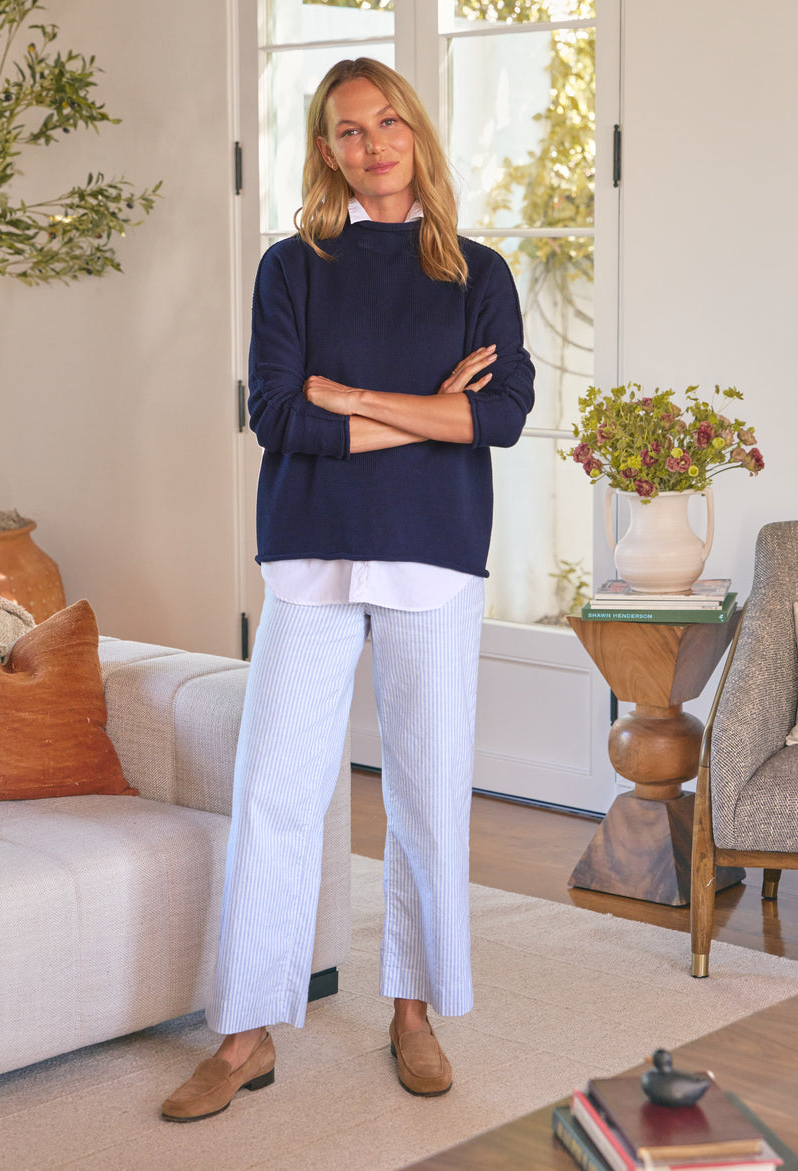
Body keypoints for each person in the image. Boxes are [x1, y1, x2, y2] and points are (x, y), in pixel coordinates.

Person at [161, 57, 535, 1122]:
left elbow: (498, 418)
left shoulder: (478, 271)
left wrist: (355, 397)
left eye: (386, 125)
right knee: (275, 793)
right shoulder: (293, 267)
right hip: (312, 555)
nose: (369, 145)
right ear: (324, 148)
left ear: (414, 133)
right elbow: (280, 417)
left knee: (423, 794)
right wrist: (423, 409)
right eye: (345, 131)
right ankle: (245, 1033)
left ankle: (412, 1011)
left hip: (433, 556)